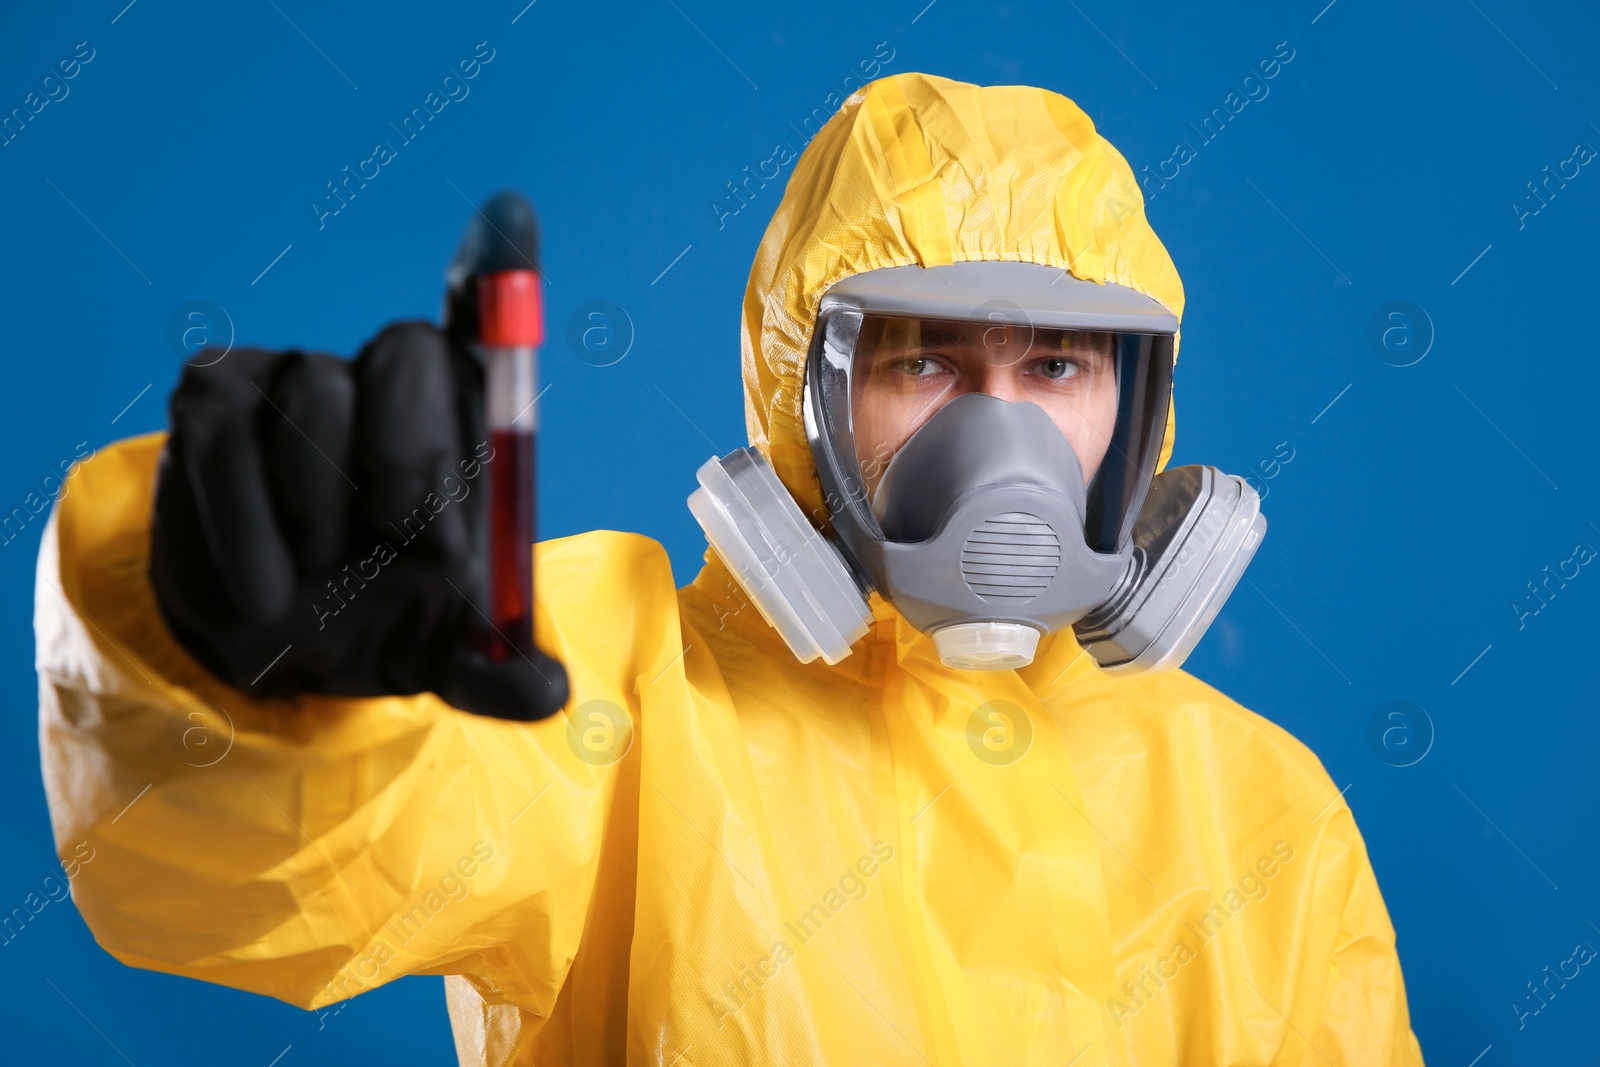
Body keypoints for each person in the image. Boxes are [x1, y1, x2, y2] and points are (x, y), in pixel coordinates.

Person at [35, 72, 1425, 1065]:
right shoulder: (613, 699)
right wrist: (233, 657)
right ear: (805, 394)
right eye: (926, 356)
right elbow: (260, 874)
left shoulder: (1265, 816)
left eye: (1056, 363)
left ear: (1138, 413)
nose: (1000, 437)